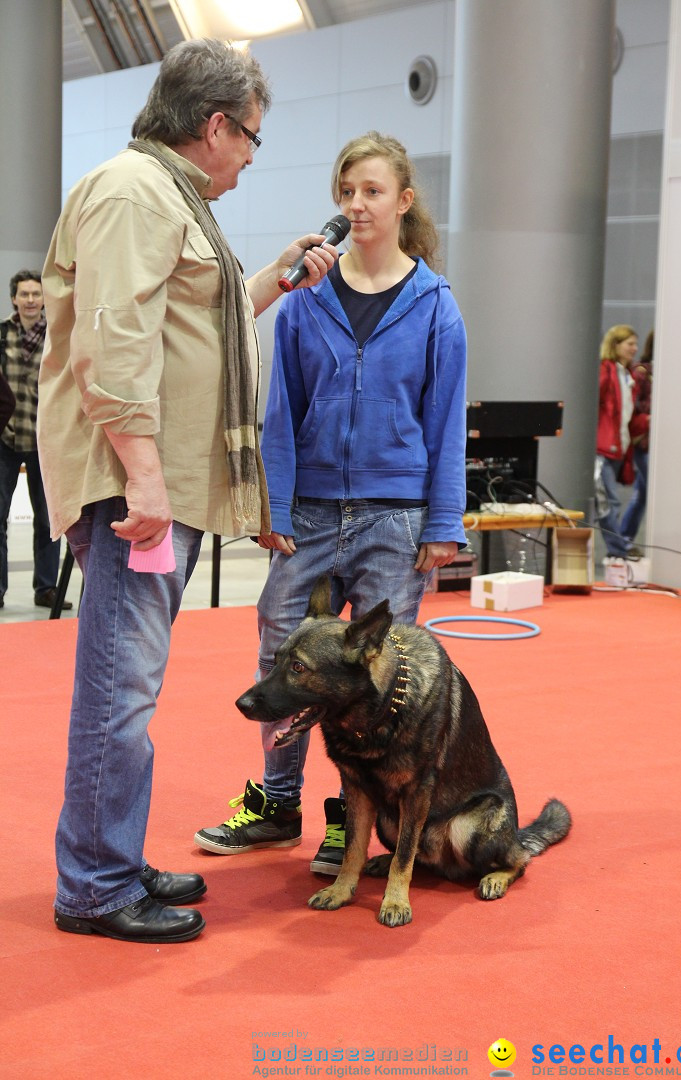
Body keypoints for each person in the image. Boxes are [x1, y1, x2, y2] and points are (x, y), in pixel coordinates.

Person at [38, 39, 336, 944]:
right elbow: (115, 341)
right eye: (249, 136)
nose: (250, 155)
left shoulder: (165, 194)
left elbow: (187, 327)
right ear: (214, 126)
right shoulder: (136, 192)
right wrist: (148, 478)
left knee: (130, 687)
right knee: (118, 694)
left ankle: (112, 859)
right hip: (139, 488)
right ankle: (93, 883)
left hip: (151, 481)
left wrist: (275, 280)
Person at [194, 131, 468, 875]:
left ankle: (353, 819)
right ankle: (278, 804)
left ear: (404, 202)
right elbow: (279, 413)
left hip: (393, 519)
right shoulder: (302, 302)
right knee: (282, 653)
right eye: (347, 192)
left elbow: (447, 424)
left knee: (377, 682)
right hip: (309, 514)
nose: (357, 205)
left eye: (372, 192)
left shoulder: (437, 308)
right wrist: (272, 506)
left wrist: (443, 523)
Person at [0, 272, 71, 611]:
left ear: (44, 299)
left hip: (46, 442)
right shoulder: (1, 334)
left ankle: (46, 588)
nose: (30, 299)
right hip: (5, 439)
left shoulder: (58, 336)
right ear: (13, 298)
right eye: (24, 294)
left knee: (48, 520)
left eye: (35, 294)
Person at [595, 324, 641, 560]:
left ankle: (618, 550)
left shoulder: (627, 374)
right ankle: (618, 550)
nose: (635, 348)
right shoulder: (605, 371)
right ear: (616, 345)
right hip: (603, 449)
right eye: (629, 343)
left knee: (609, 502)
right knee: (608, 502)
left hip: (618, 448)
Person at [620, 329, 653, 543]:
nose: (634, 348)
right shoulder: (641, 372)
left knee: (642, 494)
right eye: (629, 343)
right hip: (645, 443)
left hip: (654, 442)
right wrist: (651, 417)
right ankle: (624, 539)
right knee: (647, 492)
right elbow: (632, 407)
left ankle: (624, 538)